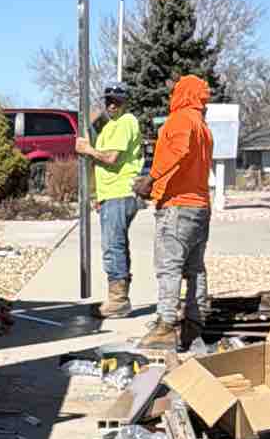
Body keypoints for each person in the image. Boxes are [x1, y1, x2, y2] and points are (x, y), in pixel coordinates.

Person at [140, 73, 215, 351]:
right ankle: (193, 325)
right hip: (199, 207)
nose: (171, 92)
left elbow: (180, 149)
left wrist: (151, 178)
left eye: (176, 89)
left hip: (178, 206)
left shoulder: (183, 119)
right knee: (195, 268)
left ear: (184, 94)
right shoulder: (203, 126)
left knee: (169, 268)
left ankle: (165, 326)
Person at [74, 81, 143, 316]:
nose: (112, 105)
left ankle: (118, 300)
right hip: (110, 194)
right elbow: (93, 122)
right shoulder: (110, 124)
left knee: (113, 247)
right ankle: (118, 297)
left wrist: (87, 150)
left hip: (120, 193)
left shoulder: (126, 122)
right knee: (116, 245)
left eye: (117, 101)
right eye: (108, 100)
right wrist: (97, 194)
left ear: (125, 102)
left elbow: (111, 158)